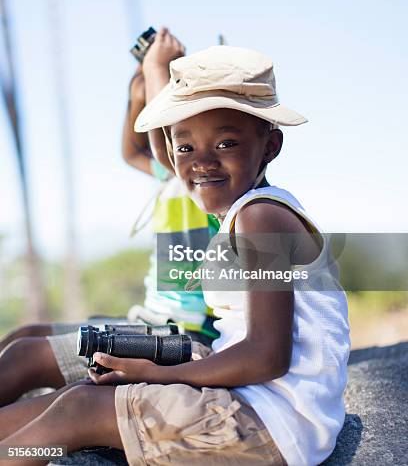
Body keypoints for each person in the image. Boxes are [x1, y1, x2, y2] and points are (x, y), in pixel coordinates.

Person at [0, 46, 349, 466]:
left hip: (271, 426)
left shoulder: (262, 218)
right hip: (256, 405)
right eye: (185, 149)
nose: (202, 162)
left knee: (80, 410)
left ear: (270, 145)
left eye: (226, 142)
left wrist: (157, 375)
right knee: (80, 394)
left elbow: (266, 356)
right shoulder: (248, 212)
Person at [0, 31, 219, 406]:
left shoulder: (204, 183)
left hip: (183, 335)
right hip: (152, 321)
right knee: (24, 335)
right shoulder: (172, 176)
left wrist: (156, 69)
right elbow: (132, 152)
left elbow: (162, 141)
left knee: (23, 359)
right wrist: (139, 87)